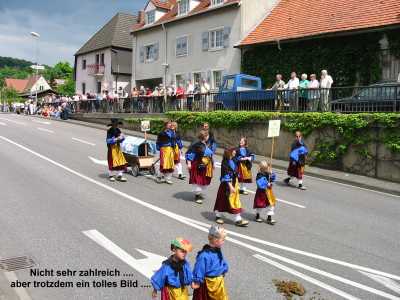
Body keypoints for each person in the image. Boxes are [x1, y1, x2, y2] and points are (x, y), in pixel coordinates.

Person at [213, 148, 249, 227]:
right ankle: (218, 215)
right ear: (229, 153)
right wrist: (231, 187)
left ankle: (238, 219)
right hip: (226, 185)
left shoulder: (233, 160)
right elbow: (225, 175)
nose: (235, 152)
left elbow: (236, 169)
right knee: (223, 201)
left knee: (235, 200)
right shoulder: (225, 163)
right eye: (233, 151)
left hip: (233, 183)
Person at [192, 225, 229, 300]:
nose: (224, 242)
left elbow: (221, 261)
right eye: (223, 240)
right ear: (216, 240)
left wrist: (224, 268)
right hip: (208, 285)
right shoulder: (204, 255)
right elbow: (199, 268)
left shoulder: (217, 250)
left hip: (218, 283)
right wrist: (197, 281)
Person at [186, 130, 214, 204]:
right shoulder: (196, 144)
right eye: (207, 136)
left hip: (206, 165)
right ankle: (197, 195)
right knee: (198, 180)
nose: (208, 137)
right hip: (198, 164)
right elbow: (190, 153)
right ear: (205, 136)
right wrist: (189, 163)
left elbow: (209, 155)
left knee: (203, 180)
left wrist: (212, 164)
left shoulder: (206, 143)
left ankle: (199, 193)